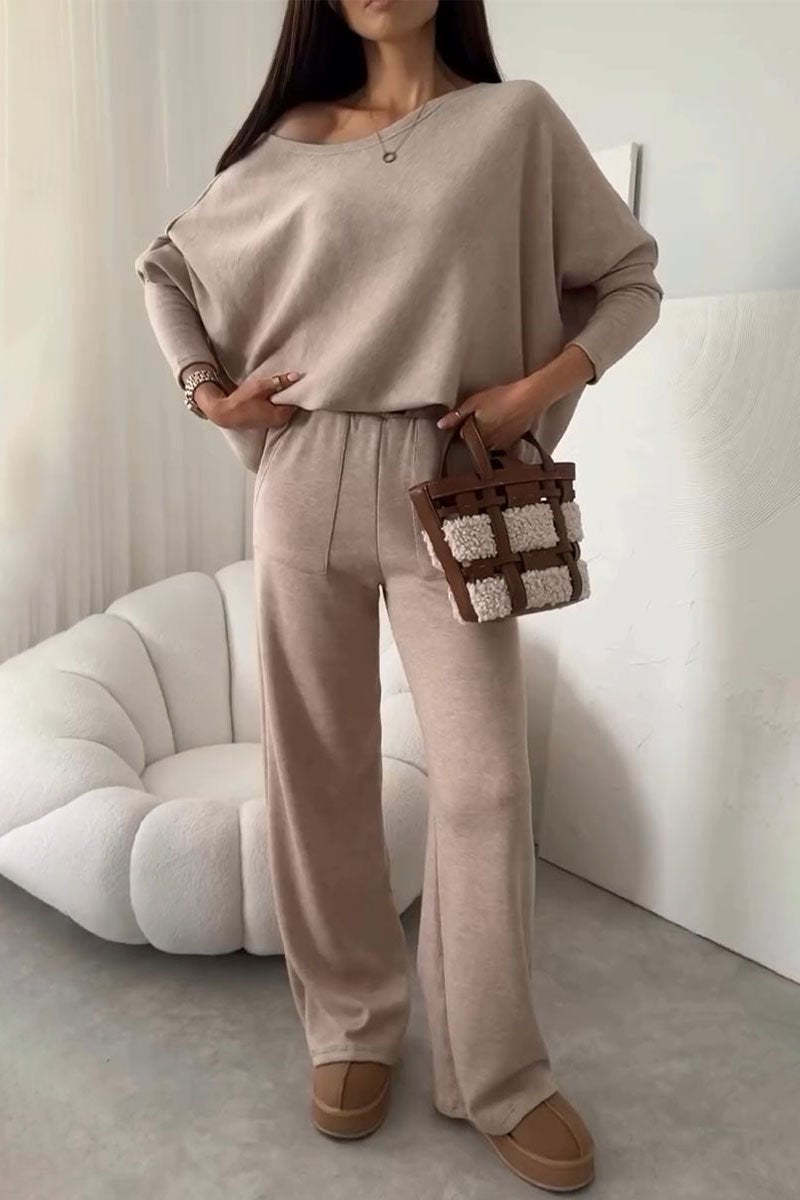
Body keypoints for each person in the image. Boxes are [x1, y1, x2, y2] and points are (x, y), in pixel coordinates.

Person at [134, 0, 662, 1190]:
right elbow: (165, 268)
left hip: (449, 473)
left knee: (483, 784)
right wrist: (206, 390)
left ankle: (497, 1072)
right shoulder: (287, 141)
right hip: (303, 471)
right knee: (317, 770)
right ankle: (351, 1025)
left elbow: (628, 279)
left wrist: (534, 390)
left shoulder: (510, 124)